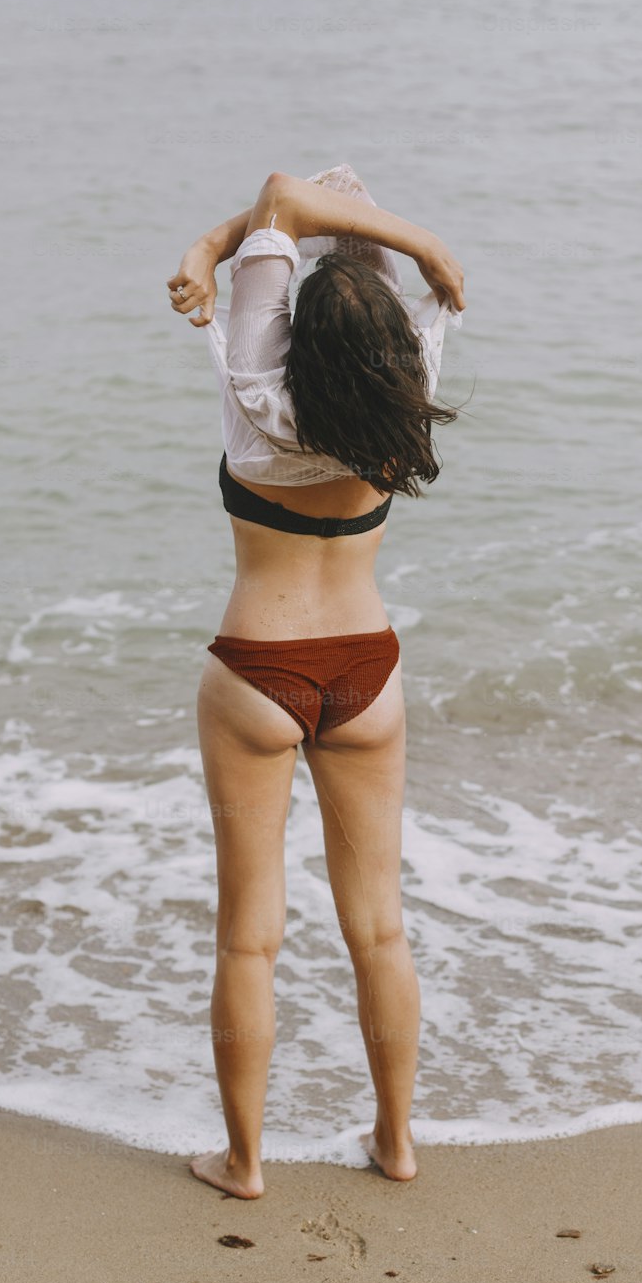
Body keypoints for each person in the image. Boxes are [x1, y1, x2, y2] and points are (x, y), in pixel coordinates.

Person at [167, 164, 466, 1198]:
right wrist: (420, 245)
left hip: (258, 671)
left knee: (249, 936)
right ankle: (396, 1143)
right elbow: (325, 216)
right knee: (378, 927)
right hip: (367, 672)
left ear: (291, 324)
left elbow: (286, 198)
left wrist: (215, 249)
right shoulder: (407, 380)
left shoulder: (257, 395)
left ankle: (243, 1163)